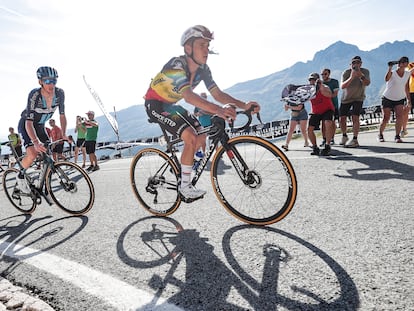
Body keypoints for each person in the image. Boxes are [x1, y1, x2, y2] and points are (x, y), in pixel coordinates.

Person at [143, 25, 260, 200]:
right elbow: (189, 97)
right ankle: (185, 186)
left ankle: (186, 168)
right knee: (190, 136)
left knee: (200, 134)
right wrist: (219, 110)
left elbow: (217, 94)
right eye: (201, 45)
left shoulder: (204, 69)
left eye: (207, 45)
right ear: (188, 48)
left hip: (171, 106)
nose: (206, 50)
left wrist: (244, 105)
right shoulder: (176, 64)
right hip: (155, 105)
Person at [16, 66, 66, 194]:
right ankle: (20, 176)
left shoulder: (60, 93)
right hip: (27, 125)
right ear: (40, 82)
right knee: (32, 153)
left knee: (48, 153)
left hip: (40, 126)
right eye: (47, 81)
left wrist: (64, 134)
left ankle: (42, 182)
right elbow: (28, 122)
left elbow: (62, 115)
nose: (51, 84)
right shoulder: (35, 95)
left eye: (54, 81)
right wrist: (35, 142)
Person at [378, 56, 413, 143]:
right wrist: (390, 68)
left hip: (400, 99)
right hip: (387, 98)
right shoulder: (393, 73)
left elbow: (406, 87)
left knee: (399, 117)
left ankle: (397, 136)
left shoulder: (407, 74)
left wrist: (408, 99)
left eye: (406, 62)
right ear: (399, 63)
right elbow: (386, 79)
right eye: (403, 62)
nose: (404, 63)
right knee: (386, 118)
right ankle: (380, 134)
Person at [339, 56, 370, 148]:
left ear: (361, 64)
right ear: (350, 65)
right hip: (346, 98)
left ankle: (355, 139)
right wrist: (352, 77)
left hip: (358, 97)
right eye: (353, 63)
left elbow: (367, 83)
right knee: (342, 118)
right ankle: (344, 136)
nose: (355, 64)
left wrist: (361, 76)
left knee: (355, 117)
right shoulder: (346, 72)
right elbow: (343, 86)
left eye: (357, 63)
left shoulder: (365, 71)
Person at [306, 73, 335, 156]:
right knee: (309, 129)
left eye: (314, 80)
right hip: (316, 111)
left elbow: (329, 95)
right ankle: (315, 147)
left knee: (327, 123)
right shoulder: (309, 91)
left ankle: (327, 145)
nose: (312, 81)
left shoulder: (325, 87)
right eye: (310, 80)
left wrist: (321, 87)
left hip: (327, 109)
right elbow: (301, 99)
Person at [320, 68, 339, 146]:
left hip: (333, 105)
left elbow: (335, 94)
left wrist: (327, 96)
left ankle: (332, 138)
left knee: (332, 122)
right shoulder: (320, 83)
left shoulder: (334, 82)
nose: (323, 76)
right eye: (322, 74)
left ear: (329, 74)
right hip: (323, 106)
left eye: (325, 74)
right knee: (323, 123)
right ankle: (324, 139)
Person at [401, 61, 414, 137]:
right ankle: (404, 129)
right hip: (411, 92)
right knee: (406, 111)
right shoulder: (410, 65)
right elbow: (406, 76)